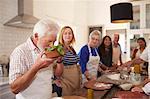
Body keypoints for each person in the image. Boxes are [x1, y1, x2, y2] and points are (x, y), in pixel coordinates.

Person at [9, 18, 63, 99]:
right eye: (49, 41)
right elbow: (14, 89)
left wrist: (59, 61)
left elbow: (57, 74)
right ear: (36, 36)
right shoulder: (20, 52)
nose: (52, 46)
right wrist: (36, 67)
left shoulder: (46, 51)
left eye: (54, 42)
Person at [58, 26, 80, 96]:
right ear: (62, 35)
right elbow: (54, 65)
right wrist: (55, 79)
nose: (68, 35)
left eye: (70, 33)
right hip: (66, 82)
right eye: (65, 33)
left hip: (76, 80)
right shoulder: (59, 49)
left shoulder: (71, 48)